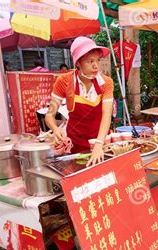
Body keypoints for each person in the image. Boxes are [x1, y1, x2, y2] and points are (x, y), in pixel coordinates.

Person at [46, 36, 113, 167]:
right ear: (78, 63)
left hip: (101, 141)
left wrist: (99, 144)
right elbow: (50, 115)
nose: (96, 66)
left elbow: (107, 114)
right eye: (90, 61)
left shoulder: (106, 83)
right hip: (75, 143)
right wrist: (55, 129)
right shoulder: (64, 81)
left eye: (98, 61)